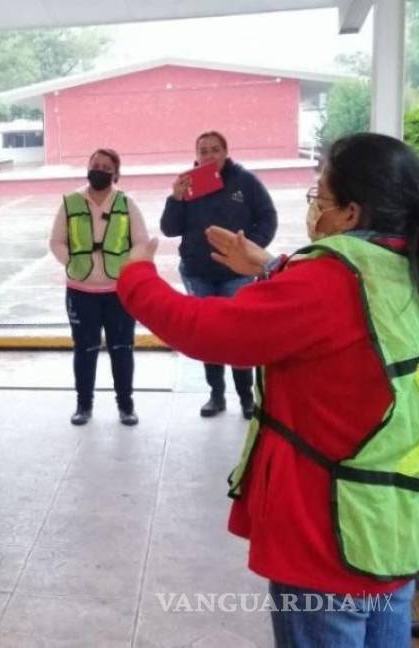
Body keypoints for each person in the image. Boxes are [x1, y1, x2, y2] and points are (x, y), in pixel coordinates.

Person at [119, 133, 418, 647]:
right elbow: (349, 326)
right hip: (392, 524)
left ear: (350, 213)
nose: (313, 208)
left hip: (327, 533)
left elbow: (209, 331)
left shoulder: (328, 280)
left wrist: (137, 278)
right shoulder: (402, 268)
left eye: (318, 197)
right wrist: (271, 266)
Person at [160, 131, 277, 419]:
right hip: (198, 272)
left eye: (215, 150)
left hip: (235, 275)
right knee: (210, 335)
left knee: (238, 336)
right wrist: (175, 198)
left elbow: (268, 218)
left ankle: (246, 397)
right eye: (203, 150)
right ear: (196, 154)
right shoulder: (188, 184)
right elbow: (169, 229)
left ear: (226, 152)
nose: (209, 155)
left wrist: (248, 249)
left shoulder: (245, 181)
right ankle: (216, 395)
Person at [49, 148, 148, 427]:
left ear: (115, 173)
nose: (100, 170)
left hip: (119, 292)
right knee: (84, 348)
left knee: (122, 348)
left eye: (107, 167)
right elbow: (56, 241)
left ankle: (126, 405)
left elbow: (141, 240)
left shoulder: (126, 203)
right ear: (88, 167)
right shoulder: (70, 202)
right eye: (96, 165)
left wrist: (127, 265)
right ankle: (84, 405)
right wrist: (73, 264)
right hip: (80, 291)